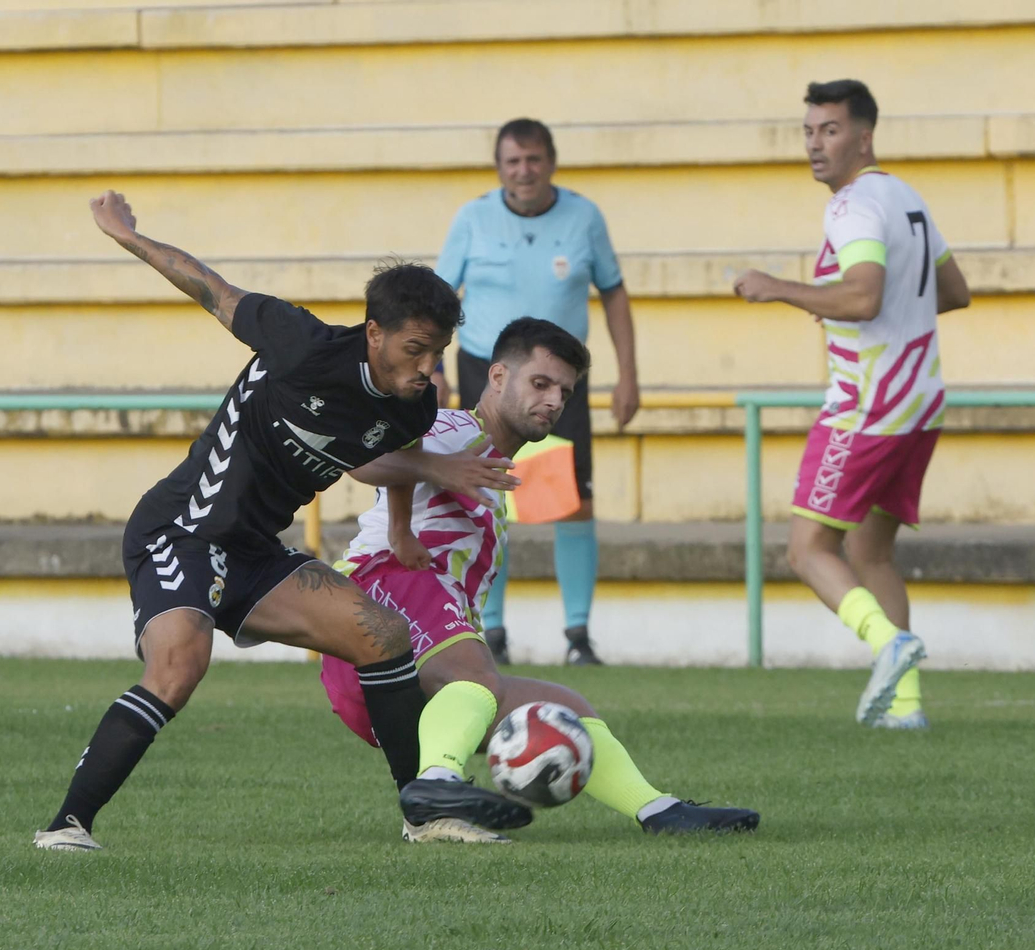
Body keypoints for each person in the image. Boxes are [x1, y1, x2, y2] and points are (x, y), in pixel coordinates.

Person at [34, 191, 530, 851]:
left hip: (253, 554)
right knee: (181, 665)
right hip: (180, 531)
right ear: (375, 332)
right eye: (415, 350)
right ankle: (67, 825)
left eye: (436, 352)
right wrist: (127, 235)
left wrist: (405, 529)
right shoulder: (302, 344)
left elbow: (393, 457)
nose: (426, 368)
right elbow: (211, 289)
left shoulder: (413, 404)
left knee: (383, 635)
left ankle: (423, 815)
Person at [321, 316, 761, 842]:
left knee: (566, 709)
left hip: (403, 670)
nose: (553, 400)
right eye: (540, 383)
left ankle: (656, 809)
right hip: (377, 595)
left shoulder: (493, 469)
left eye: (564, 392)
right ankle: (437, 788)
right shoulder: (457, 431)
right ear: (499, 376)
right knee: (475, 678)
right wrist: (438, 471)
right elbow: (362, 456)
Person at [731, 80, 972, 730]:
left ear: (863, 136)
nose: (815, 143)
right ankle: (907, 705)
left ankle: (887, 644)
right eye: (809, 131)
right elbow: (953, 289)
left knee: (808, 550)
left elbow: (864, 296)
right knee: (872, 555)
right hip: (922, 401)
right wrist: (847, 307)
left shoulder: (852, 206)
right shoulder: (906, 196)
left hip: (868, 403)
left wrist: (782, 288)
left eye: (829, 130)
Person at [433, 118, 640, 667]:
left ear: (550, 161)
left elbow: (615, 294)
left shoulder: (584, 216)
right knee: (483, 493)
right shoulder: (473, 218)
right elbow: (438, 295)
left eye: (532, 159)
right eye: (512, 161)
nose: (523, 170)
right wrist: (432, 365)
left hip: (562, 379)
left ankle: (577, 635)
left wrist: (629, 374)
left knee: (573, 501)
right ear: (499, 167)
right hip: (488, 371)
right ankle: (490, 630)